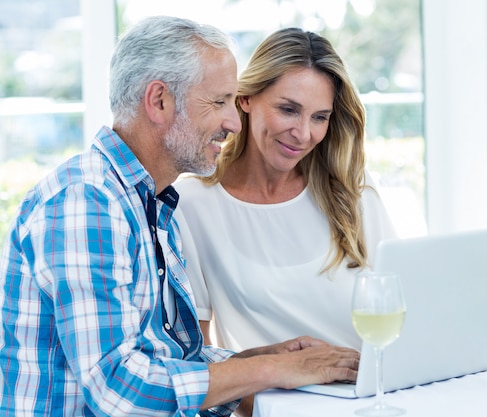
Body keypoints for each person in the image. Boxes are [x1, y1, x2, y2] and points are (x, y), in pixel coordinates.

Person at [0, 16, 359, 417]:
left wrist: (261, 359)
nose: (233, 123)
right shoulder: (86, 203)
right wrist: (271, 369)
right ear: (159, 101)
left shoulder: (147, 202)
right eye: (219, 101)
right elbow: (120, 391)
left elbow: (162, 359)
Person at [175, 27, 396, 353]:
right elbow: (197, 358)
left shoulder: (352, 189)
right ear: (245, 99)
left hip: (371, 397)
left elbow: (400, 304)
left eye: (320, 117)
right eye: (288, 110)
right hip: (273, 403)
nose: (303, 134)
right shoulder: (193, 204)